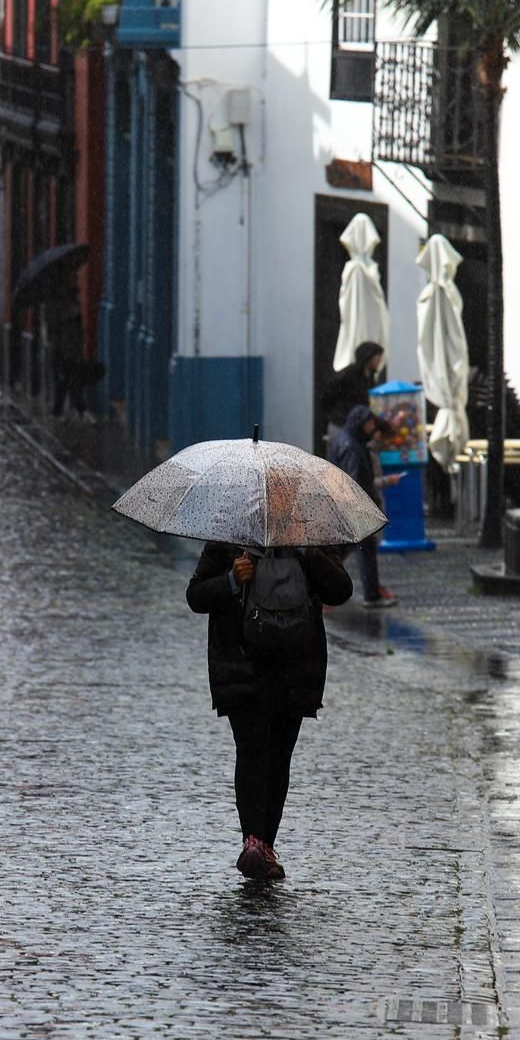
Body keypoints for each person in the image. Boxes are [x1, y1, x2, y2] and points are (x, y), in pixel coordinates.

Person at [187, 543, 354, 881]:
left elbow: (340, 589)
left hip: (294, 666)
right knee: (251, 750)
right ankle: (253, 841)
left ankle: (264, 844)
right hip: (241, 662)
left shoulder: (312, 535)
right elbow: (196, 595)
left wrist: (309, 556)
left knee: (279, 757)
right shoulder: (228, 535)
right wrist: (233, 579)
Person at [329, 404, 402, 609]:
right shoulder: (353, 446)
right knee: (362, 549)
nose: (372, 426)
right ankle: (370, 593)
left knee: (347, 548)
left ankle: (324, 585)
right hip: (357, 505)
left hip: (349, 503)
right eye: (369, 422)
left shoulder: (345, 440)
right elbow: (356, 479)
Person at [322, 340, 385, 440]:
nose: (380, 360)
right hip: (341, 423)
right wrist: (334, 413)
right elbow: (328, 393)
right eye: (377, 357)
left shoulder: (370, 377)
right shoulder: (349, 374)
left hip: (357, 425)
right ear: (368, 356)